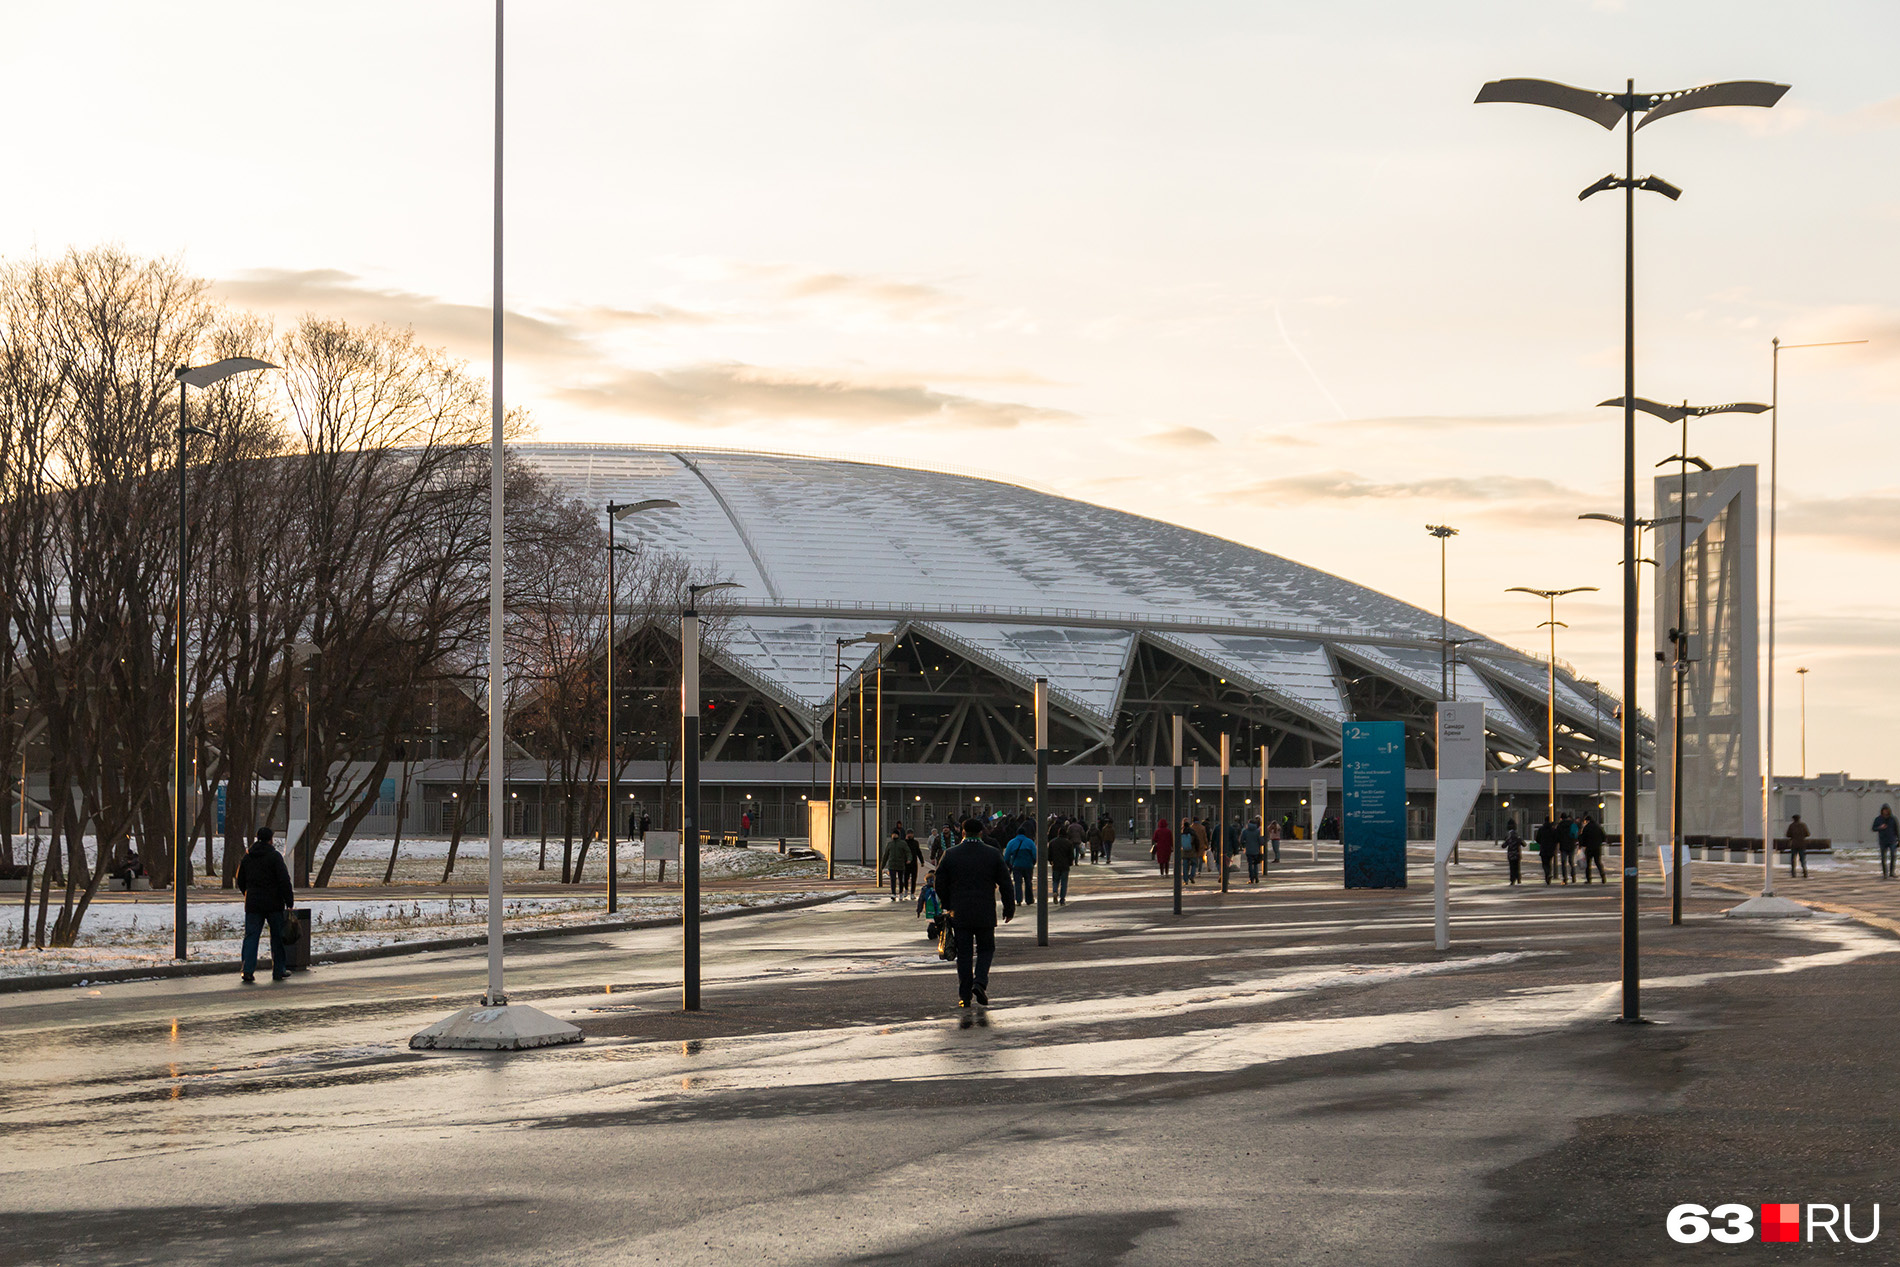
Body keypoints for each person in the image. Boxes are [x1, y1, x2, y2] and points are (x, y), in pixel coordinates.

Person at [934, 817, 1015, 1009]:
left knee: (964, 953)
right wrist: (1009, 908)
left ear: (962, 833)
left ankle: (965, 996)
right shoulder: (993, 854)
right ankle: (979, 983)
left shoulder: (950, 854)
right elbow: (1006, 883)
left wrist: (948, 903)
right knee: (986, 949)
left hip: (959, 913)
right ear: (981, 833)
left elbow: (939, 882)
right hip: (985, 911)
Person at [235, 827, 295, 984]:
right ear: (270, 840)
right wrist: (289, 901)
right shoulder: (274, 857)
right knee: (277, 937)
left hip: (253, 904)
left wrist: (248, 894)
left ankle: (247, 970)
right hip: (274, 904)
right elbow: (284, 880)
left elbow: (240, 879)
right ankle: (279, 970)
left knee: (251, 936)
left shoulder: (248, 857)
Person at [1003, 822, 1037, 903]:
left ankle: (1018, 900)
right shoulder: (1030, 842)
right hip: (1028, 865)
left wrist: (1008, 864)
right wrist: (1033, 862)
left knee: (1017, 883)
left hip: (1017, 865)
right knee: (1028, 882)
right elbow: (1034, 854)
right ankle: (1029, 899)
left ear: (1017, 833)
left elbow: (1006, 855)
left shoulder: (1012, 842)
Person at [1048, 822, 1076, 905]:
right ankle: (1062, 899)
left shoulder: (1052, 842)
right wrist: (1070, 862)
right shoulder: (1068, 843)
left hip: (1056, 864)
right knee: (1064, 882)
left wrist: (1051, 861)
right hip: (1065, 865)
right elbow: (1071, 855)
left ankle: (1055, 891)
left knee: (1055, 880)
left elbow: (1049, 854)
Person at [1577, 814, 1607, 884]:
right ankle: (1603, 876)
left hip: (1589, 847)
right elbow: (1603, 836)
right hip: (1597, 847)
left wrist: (1581, 845)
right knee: (1598, 862)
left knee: (1588, 864)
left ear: (1587, 821)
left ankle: (1589, 879)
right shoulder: (1598, 827)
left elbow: (1582, 838)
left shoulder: (1586, 828)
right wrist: (1600, 842)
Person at [1874, 805, 1898, 879]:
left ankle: (1892, 872)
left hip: (1892, 840)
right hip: (1883, 841)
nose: (1886, 812)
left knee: (1893, 856)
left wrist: (1898, 839)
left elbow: (1897, 829)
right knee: (1883, 858)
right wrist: (1880, 827)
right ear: (1882, 811)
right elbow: (1873, 828)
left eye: (1887, 810)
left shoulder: (1892, 819)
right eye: (1884, 810)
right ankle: (1885, 874)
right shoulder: (1878, 819)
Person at [1786, 813, 1812, 878]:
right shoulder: (1803, 825)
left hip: (1794, 844)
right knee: (1802, 859)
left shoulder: (1791, 826)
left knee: (1793, 859)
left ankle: (1793, 872)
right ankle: (1805, 871)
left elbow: (1788, 835)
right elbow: (1808, 834)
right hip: (1802, 844)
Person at [1241, 816, 1264, 884]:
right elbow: (1261, 841)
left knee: (1250, 864)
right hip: (1256, 850)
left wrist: (1244, 846)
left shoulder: (1245, 831)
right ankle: (1256, 876)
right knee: (1256, 864)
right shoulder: (1257, 831)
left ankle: (1251, 878)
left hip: (1248, 850)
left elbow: (1242, 840)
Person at [1501, 821, 1524, 885]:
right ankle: (1518, 878)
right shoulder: (1517, 836)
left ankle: (1512, 880)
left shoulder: (1508, 837)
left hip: (1511, 855)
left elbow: (1503, 846)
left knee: (1512, 868)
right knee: (1517, 867)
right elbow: (1524, 844)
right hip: (1517, 854)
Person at [1535, 818, 1556, 885]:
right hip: (1550, 849)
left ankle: (1547, 873)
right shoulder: (1552, 830)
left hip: (1543, 848)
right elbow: (1555, 838)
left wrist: (1541, 843)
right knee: (1549, 862)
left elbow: (1537, 838)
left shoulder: (1541, 829)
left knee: (1544, 863)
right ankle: (1549, 873)